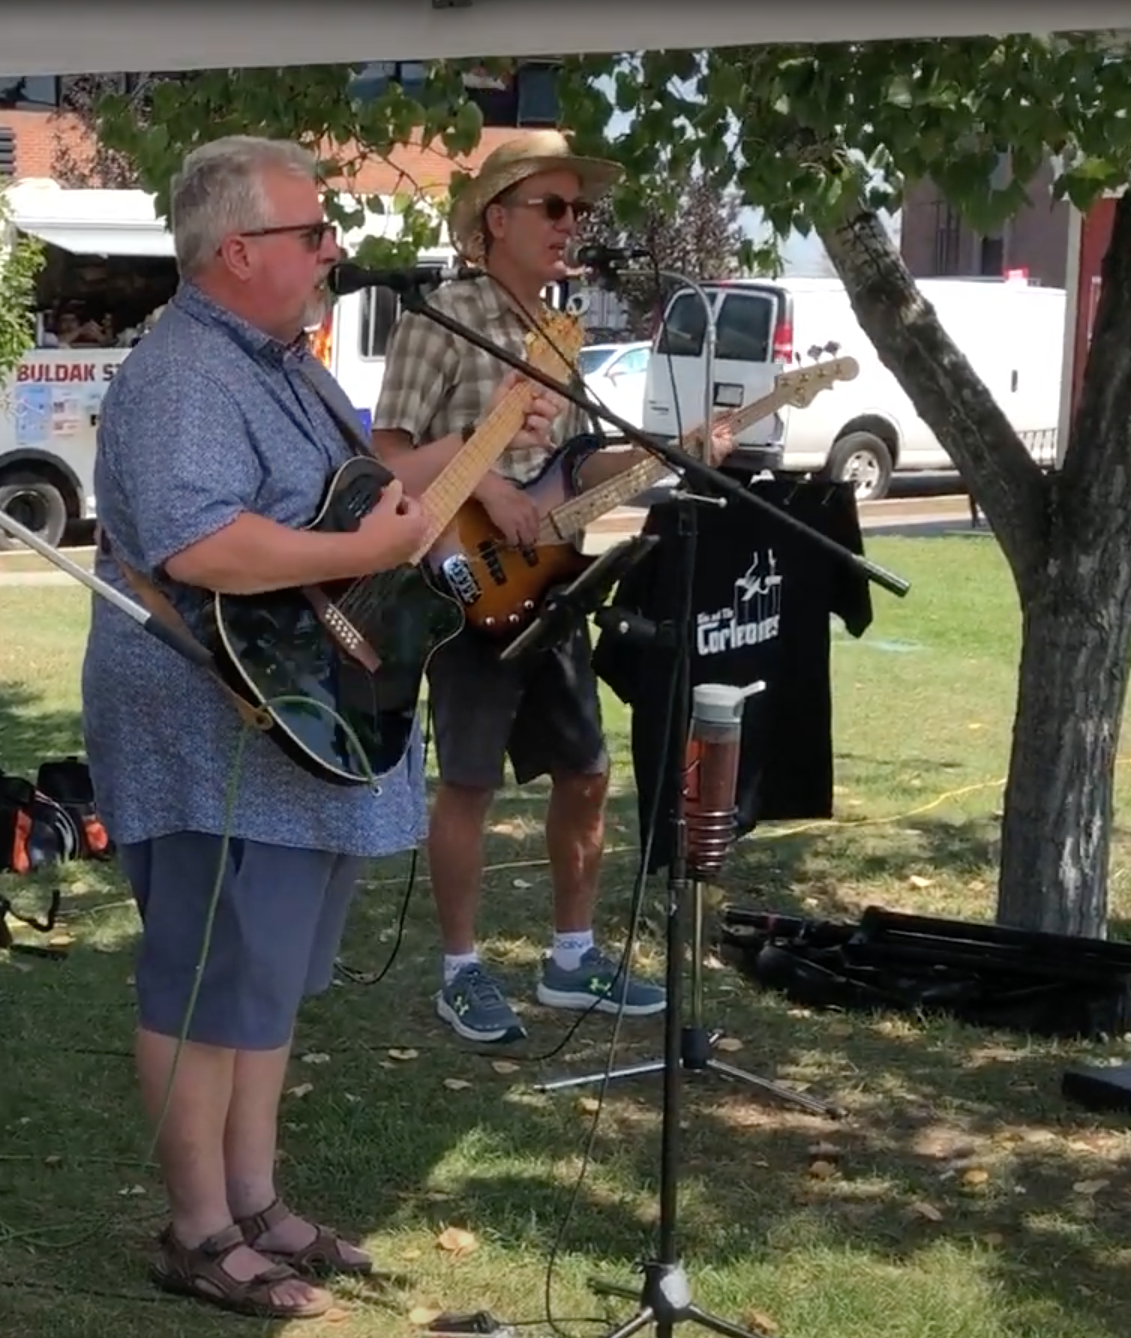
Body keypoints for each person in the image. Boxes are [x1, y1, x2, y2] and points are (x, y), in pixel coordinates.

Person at [82, 135, 436, 1321]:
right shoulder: (187, 369)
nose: (333, 250)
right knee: (204, 981)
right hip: (211, 728)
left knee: (264, 985)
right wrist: (364, 551)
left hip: (291, 724)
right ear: (237, 251)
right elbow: (198, 545)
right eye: (313, 233)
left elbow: (329, 512)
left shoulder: (285, 363)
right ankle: (196, 1229)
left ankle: (253, 1201)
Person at [371, 130, 731, 1044]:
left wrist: (665, 453)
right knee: (469, 781)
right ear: (497, 219)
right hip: (463, 588)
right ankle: (460, 971)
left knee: (588, 771)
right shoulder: (437, 319)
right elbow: (387, 457)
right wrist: (488, 483)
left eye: (580, 209)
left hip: (553, 584)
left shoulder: (559, 331)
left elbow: (569, 468)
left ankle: (573, 960)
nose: (575, 225)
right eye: (555, 207)